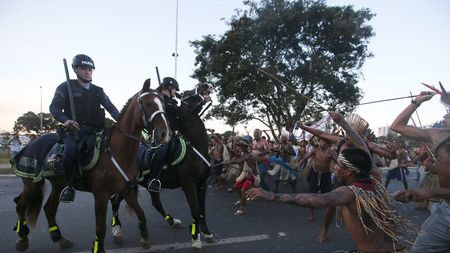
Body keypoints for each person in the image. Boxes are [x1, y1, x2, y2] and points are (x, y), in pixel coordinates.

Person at [247, 147, 412, 253]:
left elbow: (318, 200)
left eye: (339, 165)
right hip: (395, 248)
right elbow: (364, 150)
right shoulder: (375, 179)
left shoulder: (349, 192)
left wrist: (273, 196)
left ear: (348, 172)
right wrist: (344, 123)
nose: (334, 167)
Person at [49, 54, 119, 202]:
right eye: (83, 68)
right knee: (71, 152)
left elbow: (111, 108)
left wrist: (122, 121)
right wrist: (66, 120)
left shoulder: (98, 91)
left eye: (90, 69)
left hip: (97, 131)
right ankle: (69, 186)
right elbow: (54, 108)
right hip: (75, 131)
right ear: (75, 70)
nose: (87, 71)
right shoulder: (65, 87)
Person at [390, 89, 450, 253]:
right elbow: (397, 126)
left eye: (449, 114)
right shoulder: (440, 135)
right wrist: (417, 101)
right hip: (446, 210)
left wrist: (431, 193)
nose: (445, 117)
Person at [146, 77, 180, 192]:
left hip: (175, 133)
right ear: (169, 88)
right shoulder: (159, 101)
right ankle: (153, 179)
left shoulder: (172, 101)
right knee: (162, 150)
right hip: (162, 134)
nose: (175, 92)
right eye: (175, 89)